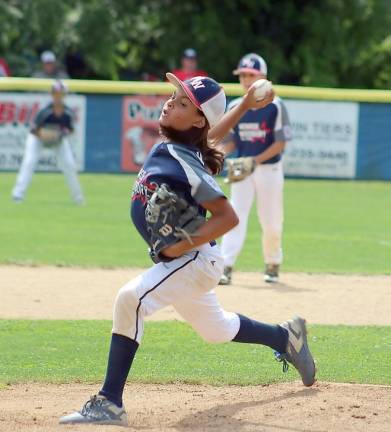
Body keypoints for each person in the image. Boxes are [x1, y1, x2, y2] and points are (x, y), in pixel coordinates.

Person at [59, 73, 315, 426]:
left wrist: (184, 243)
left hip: (194, 259)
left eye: (182, 103)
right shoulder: (182, 146)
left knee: (130, 299)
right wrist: (242, 105)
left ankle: (109, 401)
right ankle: (286, 337)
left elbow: (228, 216)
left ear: (196, 119)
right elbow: (209, 135)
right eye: (174, 96)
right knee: (217, 330)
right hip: (187, 260)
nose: (170, 103)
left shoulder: (185, 160)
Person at [218, 53, 292, 285]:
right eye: (243, 75)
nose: (246, 79)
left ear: (264, 78)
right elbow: (231, 142)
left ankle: (272, 262)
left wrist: (255, 161)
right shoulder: (235, 106)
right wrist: (217, 153)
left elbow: (281, 143)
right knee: (234, 216)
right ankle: (225, 266)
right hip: (240, 166)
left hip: (268, 168)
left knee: (270, 220)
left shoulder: (276, 106)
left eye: (251, 75)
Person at [12, 80, 84, 205]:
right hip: (38, 140)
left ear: (64, 95)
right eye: (55, 93)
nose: (57, 96)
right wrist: (46, 134)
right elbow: (34, 130)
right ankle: (18, 195)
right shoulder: (45, 112)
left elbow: (71, 130)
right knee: (29, 162)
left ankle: (78, 198)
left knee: (70, 165)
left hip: (58, 140)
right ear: (52, 95)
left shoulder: (67, 113)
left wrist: (59, 134)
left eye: (60, 93)